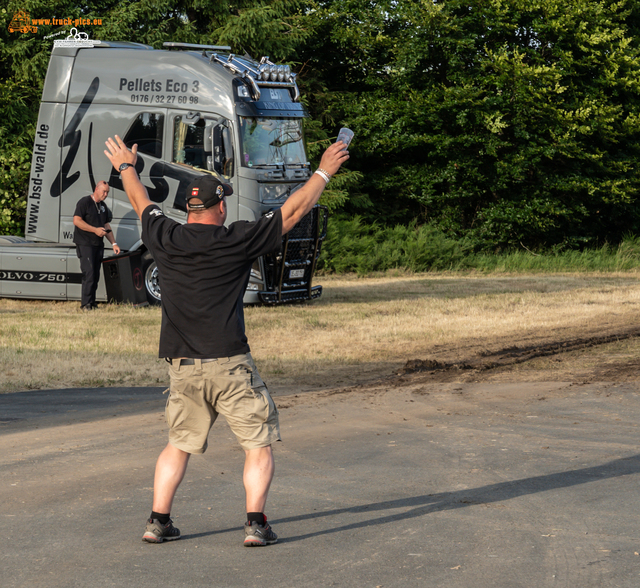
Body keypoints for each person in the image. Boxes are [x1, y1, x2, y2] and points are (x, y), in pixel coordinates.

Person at [103, 134, 349, 546]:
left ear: (186, 208)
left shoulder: (164, 236)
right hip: (231, 364)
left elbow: (141, 200)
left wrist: (126, 166)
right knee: (258, 445)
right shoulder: (235, 239)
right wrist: (324, 170)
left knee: (177, 445)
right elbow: (292, 213)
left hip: (182, 365)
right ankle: (255, 524)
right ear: (219, 207)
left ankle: (157, 521)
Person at [73, 181, 121, 310]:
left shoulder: (103, 206)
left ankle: (92, 303)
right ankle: (86, 304)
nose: (105, 194)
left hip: (97, 244)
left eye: (107, 192)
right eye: (104, 191)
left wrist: (114, 243)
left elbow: (106, 225)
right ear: (96, 189)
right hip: (85, 243)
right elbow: (77, 221)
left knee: (95, 274)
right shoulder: (84, 202)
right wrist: (94, 230)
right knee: (89, 273)